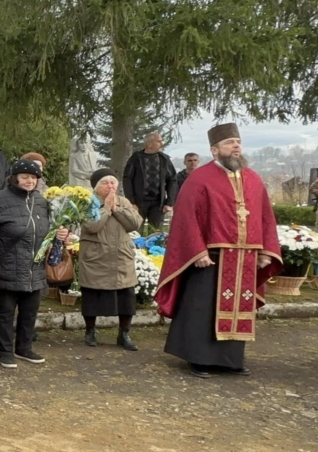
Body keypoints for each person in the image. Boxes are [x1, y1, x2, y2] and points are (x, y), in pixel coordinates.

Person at [156, 123, 282, 378]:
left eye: (238, 142)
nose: (236, 146)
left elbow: (265, 217)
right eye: (229, 143)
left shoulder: (253, 179)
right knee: (203, 309)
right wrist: (197, 251)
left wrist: (266, 251)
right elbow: (186, 218)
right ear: (215, 150)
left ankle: (230, 360)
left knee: (239, 308)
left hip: (245, 259)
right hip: (209, 259)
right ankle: (198, 358)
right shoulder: (199, 179)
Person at [0, 160, 69, 369]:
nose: (30, 181)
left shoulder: (42, 201)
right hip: (7, 264)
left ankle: (24, 347)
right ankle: (4, 351)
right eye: (25, 177)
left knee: (30, 311)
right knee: (4, 312)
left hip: (34, 267)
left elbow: (49, 231)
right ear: (15, 178)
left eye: (33, 177)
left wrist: (60, 235)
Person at [78, 169, 143, 351]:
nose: (110, 186)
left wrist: (116, 208)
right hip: (96, 257)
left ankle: (124, 334)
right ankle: (90, 331)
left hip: (121, 256)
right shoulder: (87, 202)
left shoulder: (123, 202)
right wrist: (106, 208)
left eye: (113, 182)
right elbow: (91, 226)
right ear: (97, 187)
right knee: (92, 297)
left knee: (126, 299)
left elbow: (134, 224)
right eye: (105, 183)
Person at [123, 133, 177, 228]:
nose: (162, 143)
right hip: (139, 203)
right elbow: (127, 179)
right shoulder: (136, 158)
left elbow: (172, 180)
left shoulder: (164, 159)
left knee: (156, 233)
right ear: (149, 144)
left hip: (158, 204)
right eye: (159, 141)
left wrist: (169, 203)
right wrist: (131, 202)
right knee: (136, 231)